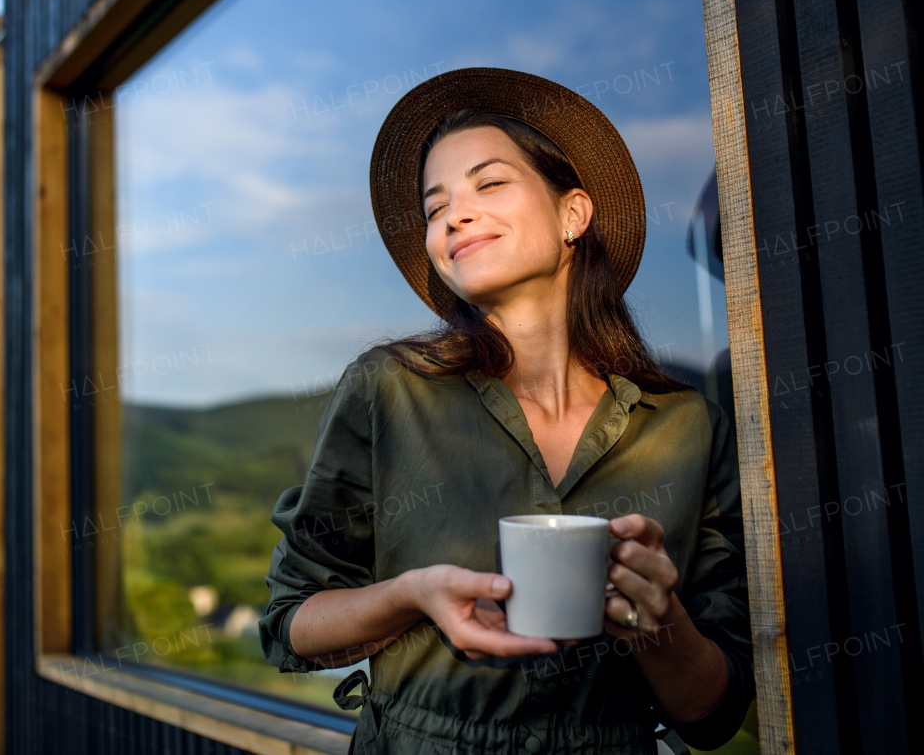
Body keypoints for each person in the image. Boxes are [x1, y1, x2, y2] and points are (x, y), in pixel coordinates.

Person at [259, 69, 753, 755]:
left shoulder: (687, 427)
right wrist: (413, 596)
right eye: (435, 208)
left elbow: (714, 714)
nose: (453, 215)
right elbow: (289, 624)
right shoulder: (390, 390)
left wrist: (659, 622)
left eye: (489, 184)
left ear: (572, 214)